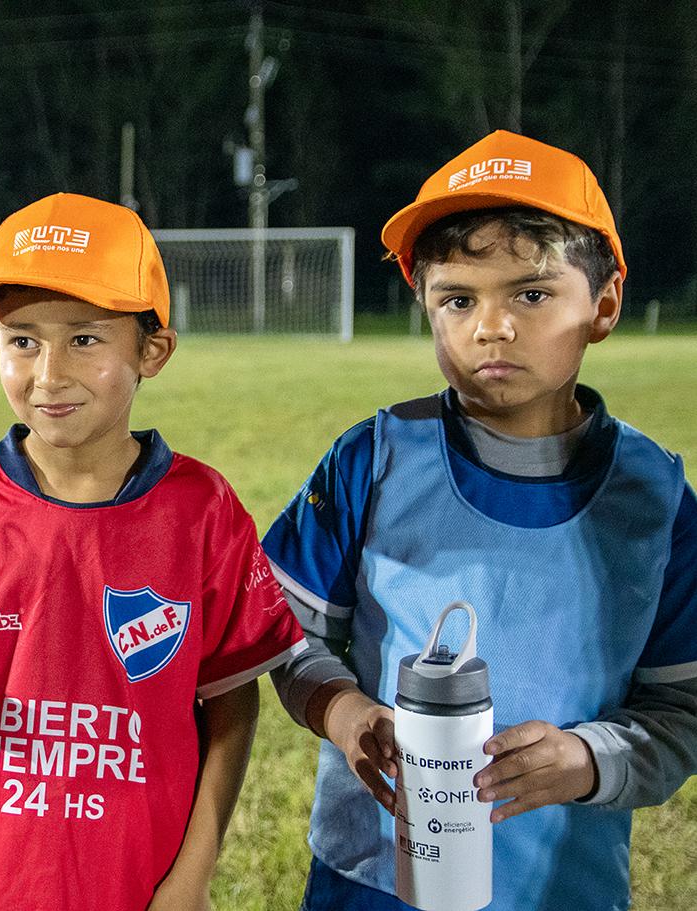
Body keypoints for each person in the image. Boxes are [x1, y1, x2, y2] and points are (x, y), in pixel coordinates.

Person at [265, 130, 697, 911]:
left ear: (603, 304)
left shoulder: (654, 495)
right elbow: (284, 631)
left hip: (563, 887)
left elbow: (683, 706)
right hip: (373, 881)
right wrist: (343, 709)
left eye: (530, 294)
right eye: (458, 298)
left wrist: (589, 757)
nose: (490, 327)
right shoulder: (374, 457)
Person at [0, 192, 308, 910]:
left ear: (152, 350)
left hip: (132, 883)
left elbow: (232, 706)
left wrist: (190, 876)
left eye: (86, 340)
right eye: (23, 339)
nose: (49, 373)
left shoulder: (202, 511)